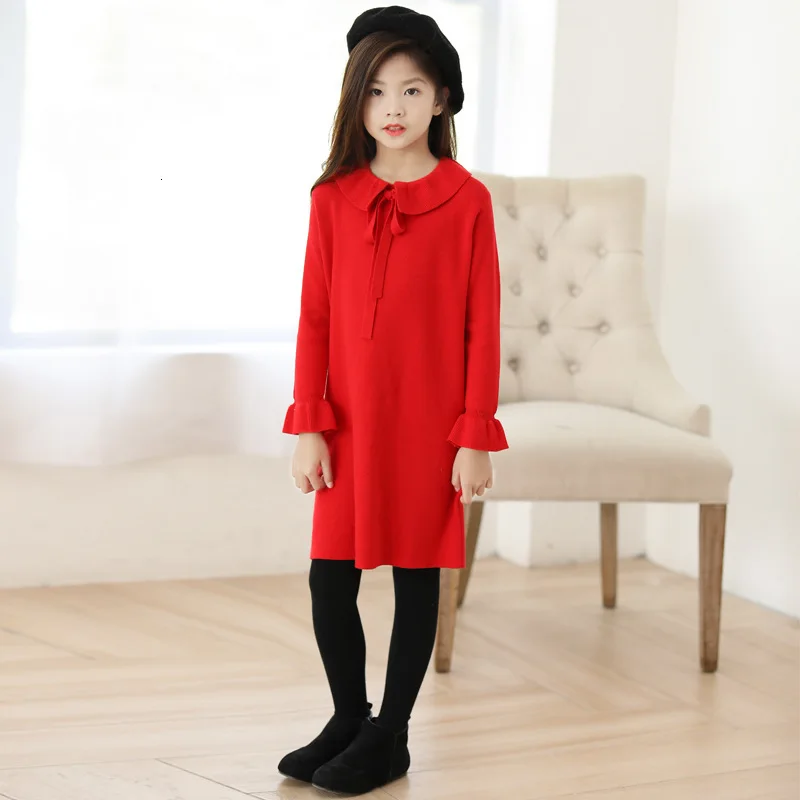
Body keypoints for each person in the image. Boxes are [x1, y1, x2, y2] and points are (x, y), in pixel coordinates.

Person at [278, 5, 509, 795]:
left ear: (441, 99)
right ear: (356, 101)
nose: (394, 108)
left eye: (411, 90)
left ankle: (391, 735)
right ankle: (350, 717)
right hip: (347, 424)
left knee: (416, 575)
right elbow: (314, 317)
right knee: (329, 576)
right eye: (376, 91)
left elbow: (483, 324)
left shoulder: (467, 201)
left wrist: (473, 435)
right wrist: (309, 424)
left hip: (428, 426)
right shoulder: (332, 198)